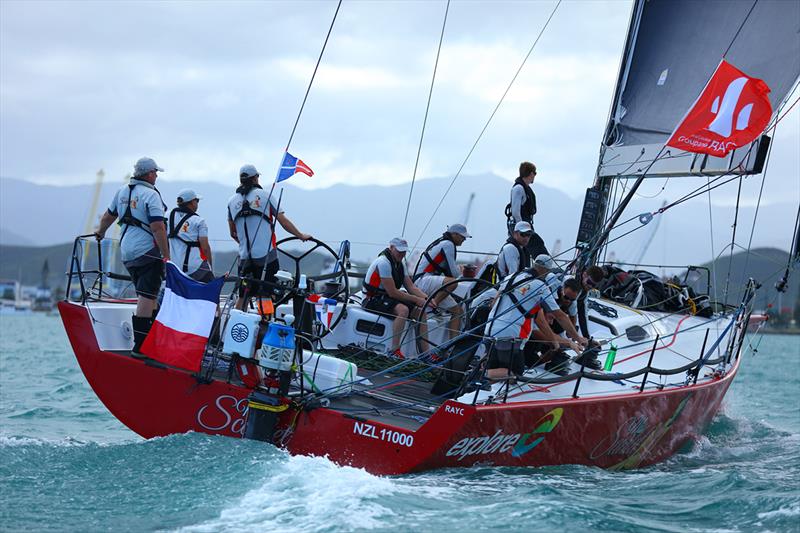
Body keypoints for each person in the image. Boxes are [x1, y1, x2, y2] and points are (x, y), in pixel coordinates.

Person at [94, 157, 170, 353]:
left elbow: (108, 217)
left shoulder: (121, 192)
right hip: (147, 252)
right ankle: (141, 346)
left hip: (127, 251)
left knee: (149, 295)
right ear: (149, 174)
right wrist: (166, 255)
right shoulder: (150, 195)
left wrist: (100, 233)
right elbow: (158, 228)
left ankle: (152, 340)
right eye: (156, 173)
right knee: (146, 296)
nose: (157, 176)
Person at [227, 164, 311, 310]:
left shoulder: (231, 201)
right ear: (255, 178)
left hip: (244, 257)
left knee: (243, 295)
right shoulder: (266, 195)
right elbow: (283, 222)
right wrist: (300, 235)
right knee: (267, 294)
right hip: (265, 256)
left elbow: (232, 233)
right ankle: (264, 325)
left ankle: (236, 326)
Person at [483, 270, 580, 380]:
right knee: (516, 372)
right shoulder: (540, 288)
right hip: (510, 336)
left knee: (497, 369)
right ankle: (481, 374)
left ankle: (484, 379)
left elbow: (493, 303)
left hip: (489, 330)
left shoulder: (512, 277)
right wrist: (577, 339)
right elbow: (557, 317)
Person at [363, 238, 433, 358]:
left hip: (386, 297)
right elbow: (393, 293)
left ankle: (425, 354)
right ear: (391, 248)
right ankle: (394, 350)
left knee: (421, 313)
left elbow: (411, 287)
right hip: (372, 299)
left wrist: (428, 299)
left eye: (404, 251)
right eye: (399, 251)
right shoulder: (383, 263)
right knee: (403, 310)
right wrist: (416, 300)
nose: (402, 254)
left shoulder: (400, 264)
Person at [413, 224, 471, 340]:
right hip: (423, 279)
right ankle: (433, 306)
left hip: (427, 280)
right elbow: (453, 275)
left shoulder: (443, 242)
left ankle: (450, 346)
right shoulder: (448, 244)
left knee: (457, 312)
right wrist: (461, 269)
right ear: (454, 234)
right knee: (453, 283)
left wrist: (457, 268)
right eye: (462, 237)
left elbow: (448, 269)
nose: (464, 240)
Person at [168, 189, 214, 282]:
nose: (197, 203)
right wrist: (210, 267)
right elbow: (205, 248)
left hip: (173, 267)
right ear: (192, 203)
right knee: (209, 289)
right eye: (197, 201)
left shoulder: (167, 215)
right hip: (194, 267)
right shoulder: (199, 221)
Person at [505, 161, 548, 258]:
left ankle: (538, 267)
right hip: (521, 228)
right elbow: (516, 212)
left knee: (527, 252)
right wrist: (521, 229)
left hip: (525, 226)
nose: (535, 176)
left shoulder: (526, 188)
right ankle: (547, 267)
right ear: (531, 173)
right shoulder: (519, 188)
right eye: (535, 173)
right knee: (537, 245)